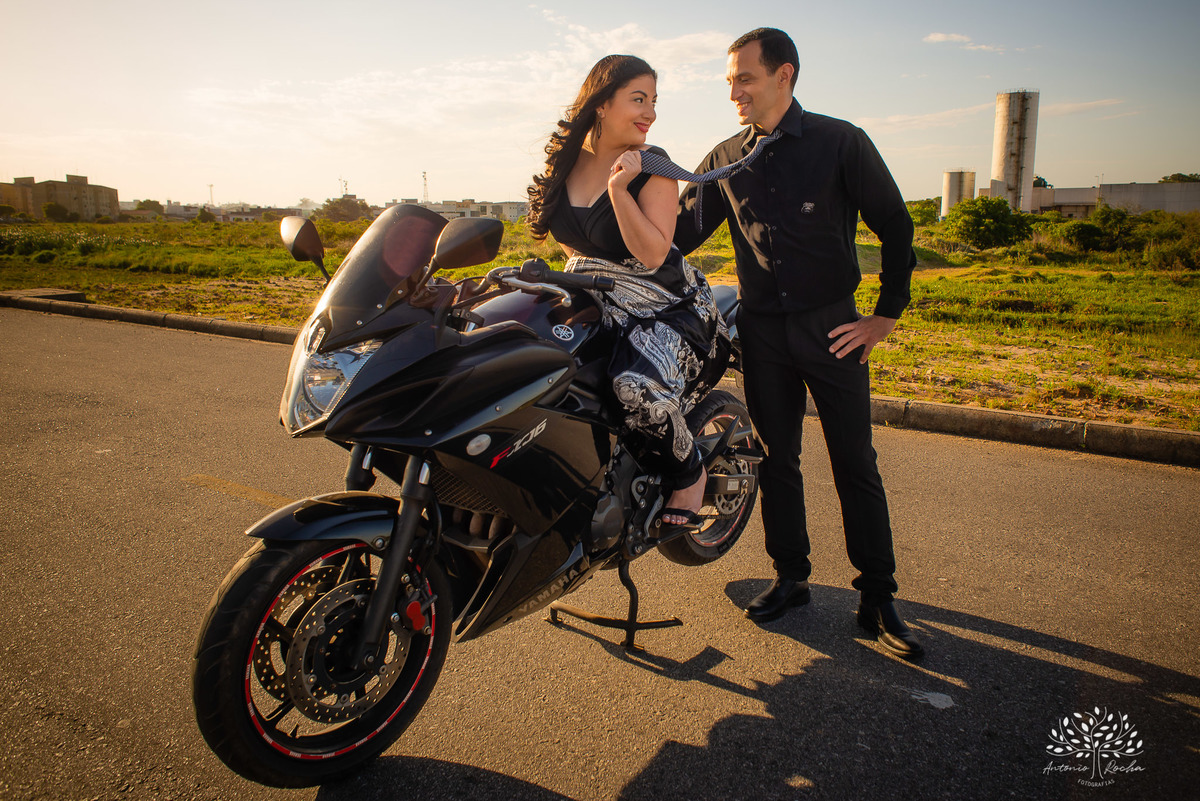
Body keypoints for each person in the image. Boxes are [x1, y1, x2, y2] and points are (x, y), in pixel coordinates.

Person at [674, 28, 924, 659]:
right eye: (730, 80)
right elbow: (675, 236)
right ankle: (791, 578)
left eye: (744, 79)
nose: (733, 92)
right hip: (762, 333)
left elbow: (895, 225)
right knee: (775, 460)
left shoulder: (842, 142)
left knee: (853, 462)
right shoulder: (725, 156)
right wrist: (614, 202)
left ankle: (878, 596)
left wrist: (884, 316)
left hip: (834, 329)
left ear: (784, 75)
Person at [527, 55, 729, 531]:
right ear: (600, 104)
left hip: (668, 310)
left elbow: (655, 254)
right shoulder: (566, 165)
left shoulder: (651, 166)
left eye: (654, 101)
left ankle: (689, 474)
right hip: (598, 304)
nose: (650, 112)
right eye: (639, 99)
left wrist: (620, 190)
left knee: (631, 387)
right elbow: (575, 246)